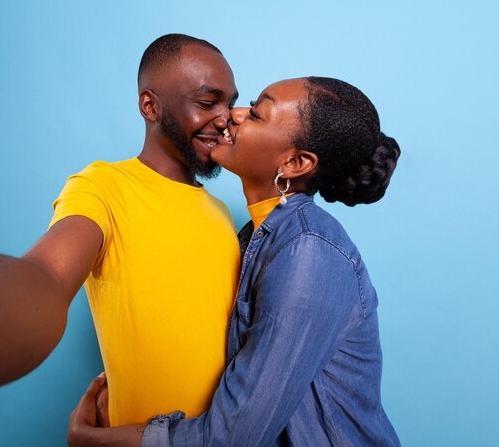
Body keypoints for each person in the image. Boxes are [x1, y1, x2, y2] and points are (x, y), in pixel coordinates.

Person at [0, 34, 240, 428]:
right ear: (150, 105)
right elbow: (47, 278)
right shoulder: (102, 185)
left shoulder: (222, 211)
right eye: (208, 103)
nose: (227, 117)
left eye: (230, 102)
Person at [68, 77, 401, 446]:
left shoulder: (308, 251)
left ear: (295, 162)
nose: (234, 116)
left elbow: (232, 437)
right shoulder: (252, 237)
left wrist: (94, 439)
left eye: (257, 113)